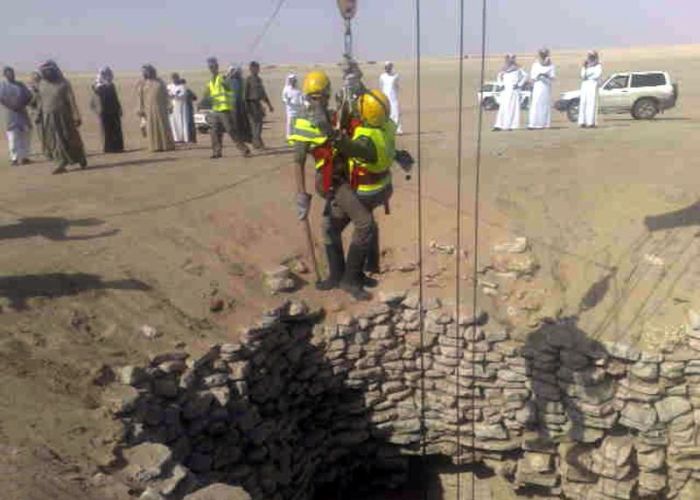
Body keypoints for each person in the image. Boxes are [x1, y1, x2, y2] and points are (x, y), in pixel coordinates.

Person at [288, 71, 381, 301]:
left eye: (321, 96)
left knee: (331, 227)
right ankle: (349, 280)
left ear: (328, 95)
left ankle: (342, 275)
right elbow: (298, 161)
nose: (317, 101)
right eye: (313, 97)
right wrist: (301, 195)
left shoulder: (335, 116)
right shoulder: (302, 123)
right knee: (365, 223)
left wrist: (357, 84)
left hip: (348, 177)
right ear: (307, 98)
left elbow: (365, 111)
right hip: (332, 181)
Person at [38, 60, 87, 173]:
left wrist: (76, 116)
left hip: (64, 118)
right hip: (48, 118)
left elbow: (71, 101)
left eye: (49, 71)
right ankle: (61, 163)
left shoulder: (63, 83)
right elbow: (41, 101)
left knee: (69, 139)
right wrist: (39, 115)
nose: (46, 73)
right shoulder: (42, 84)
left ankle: (80, 157)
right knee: (54, 140)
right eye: (44, 71)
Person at [201, 57, 250, 159]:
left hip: (225, 110)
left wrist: (227, 80)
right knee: (214, 132)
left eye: (213, 66)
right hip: (215, 111)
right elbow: (207, 94)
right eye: (210, 67)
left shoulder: (222, 78)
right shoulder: (211, 81)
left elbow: (228, 87)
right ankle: (217, 152)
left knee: (231, 131)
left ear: (217, 67)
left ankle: (244, 149)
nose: (211, 69)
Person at [136, 64, 175, 152]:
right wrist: (140, 110)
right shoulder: (142, 83)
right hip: (148, 109)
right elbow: (140, 97)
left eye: (146, 71)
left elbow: (166, 95)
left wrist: (169, 105)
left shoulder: (160, 82)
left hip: (161, 108)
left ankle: (166, 145)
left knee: (163, 126)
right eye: (144, 71)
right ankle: (155, 146)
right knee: (151, 128)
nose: (145, 73)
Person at [0, 66, 32, 166]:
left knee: (25, 136)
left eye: (12, 73)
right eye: (8, 73)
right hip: (10, 114)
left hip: (22, 113)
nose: (11, 75)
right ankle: (14, 158)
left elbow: (29, 96)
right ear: (4, 75)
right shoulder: (2, 86)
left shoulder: (21, 84)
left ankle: (25, 157)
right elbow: (1, 99)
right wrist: (12, 106)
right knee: (12, 137)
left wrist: (22, 105)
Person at [90, 66, 124, 153]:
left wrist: (119, 108)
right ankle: (108, 148)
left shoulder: (111, 85)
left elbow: (115, 98)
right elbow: (95, 101)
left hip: (114, 110)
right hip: (104, 111)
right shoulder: (97, 86)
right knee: (106, 130)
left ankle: (118, 147)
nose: (109, 76)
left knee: (116, 129)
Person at [493, 54, 527, 131]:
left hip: (513, 90)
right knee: (503, 108)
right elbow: (499, 77)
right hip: (505, 90)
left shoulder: (518, 68)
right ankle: (499, 125)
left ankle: (511, 125)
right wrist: (500, 84)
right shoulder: (504, 68)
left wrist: (519, 84)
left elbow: (525, 76)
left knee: (512, 108)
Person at [244, 61, 274, 149]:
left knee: (259, 125)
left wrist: (269, 105)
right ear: (251, 69)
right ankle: (256, 144)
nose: (257, 70)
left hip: (258, 105)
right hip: (251, 104)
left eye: (258, 68)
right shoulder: (248, 80)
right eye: (256, 68)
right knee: (254, 126)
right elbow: (245, 95)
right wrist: (246, 108)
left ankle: (257, 143)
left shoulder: (259, 79)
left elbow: (263, 93)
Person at [528, 49, 556, 130]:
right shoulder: (535, 65)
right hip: (537, 86)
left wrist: (546, 76)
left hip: (546, 87)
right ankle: (533, 124)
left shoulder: (551, 66)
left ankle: (544, 123)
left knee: (545, 104)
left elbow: (553, 77)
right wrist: (539, 76)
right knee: (536, 103)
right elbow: (533, 77)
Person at [226, 65, 252, 144]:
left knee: (244, 120)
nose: (235, 73)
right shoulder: (227, 81)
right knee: (235, 121)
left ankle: (247, 137)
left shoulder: (242, 80)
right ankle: (239, 138)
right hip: (233, 104)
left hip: (242, 103)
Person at [27, 71, 49, 159]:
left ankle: (49, 151)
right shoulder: (31, 90)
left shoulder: (44, 87)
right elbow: (30, 103)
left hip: (46, 113)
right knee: (42, 135)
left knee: (47, 134)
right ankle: (47, 151)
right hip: (37, 115)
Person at [579, 50, 603, 128]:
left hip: (593, 84)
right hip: (585, 85)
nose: (590, 57)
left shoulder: (598, 65)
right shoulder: (585, 65)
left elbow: (597, 75)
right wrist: (586, 69)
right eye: (589, 56)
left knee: (591, 103)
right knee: (583, 103)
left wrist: (588, 75)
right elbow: (582, 75)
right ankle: (582, 122)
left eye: (592, 56)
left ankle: (591, 122)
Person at [379, 61, 403, 134]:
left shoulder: (396, 76)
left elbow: (397, 86)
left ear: (391, 67)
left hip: (393, 97)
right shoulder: (382, 76)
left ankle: (398, 129)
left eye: (389, 67)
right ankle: (387, 129)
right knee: (386, 114)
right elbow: (381, 86)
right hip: (385, 97)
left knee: (395, 113)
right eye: (386, 67)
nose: (387, 68)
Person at [167, 73, 189, 143]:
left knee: (182, 122)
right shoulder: (169, 86)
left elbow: (181, 95)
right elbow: (167, 94)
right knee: (173, 122)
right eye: (172, 78)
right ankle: (175, 138)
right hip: (172, 106)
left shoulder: (182, 87)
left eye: (175, 78)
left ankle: (183, 138)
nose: (174, 79)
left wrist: (173, 96)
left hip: (181, 107)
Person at [281, 73, 304, 138]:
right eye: (291, 80)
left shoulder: (298, 89)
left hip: (298, 108)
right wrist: (287, 101)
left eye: (293, 80)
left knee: (298, 122)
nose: (292, 81)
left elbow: (301, 97)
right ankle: (289, 136)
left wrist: (303, 102)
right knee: (290, 123)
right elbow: (283, 98)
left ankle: (297, 135)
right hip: (290, 109)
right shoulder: (286, 89)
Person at [181, 79, 197, 143]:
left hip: (188, 108)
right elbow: (195, 98)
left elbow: (195, 97)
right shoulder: (187, 90)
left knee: (189, 124)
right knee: (188, 124)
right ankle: (189, 139)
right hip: (186, 109)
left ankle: (192, 139)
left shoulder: (187, 90)